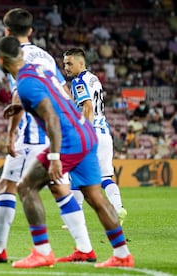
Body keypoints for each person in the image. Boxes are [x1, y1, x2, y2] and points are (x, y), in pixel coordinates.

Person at [0, 8, 89, 265]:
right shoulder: (44, 55)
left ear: (6, 30)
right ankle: (85, 248)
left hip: (33, 130)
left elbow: (20, 93)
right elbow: (62, 89)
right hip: (55, 128)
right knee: (58, 187)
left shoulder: (15, 54)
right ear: (30, 30)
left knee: (14, 186)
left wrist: (10, 133)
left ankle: (18, 250)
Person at [0, 36, 133, 268]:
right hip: (86, 133)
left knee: (26, 187)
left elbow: (50, 116)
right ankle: (121, 254)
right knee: (95, 196)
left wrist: (54, 157)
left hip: (69, 138)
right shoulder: (42, 72)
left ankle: (42, 251)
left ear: (1, 60)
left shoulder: (25, 81)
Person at [62, 48, 128, 226]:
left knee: (75, 174)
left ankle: (75, 218)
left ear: (81, 63)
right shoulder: (94, 79)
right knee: (106, 177)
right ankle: (118, 208)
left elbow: (88, 107)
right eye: (64, 64)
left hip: (92, 133)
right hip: (105, 134)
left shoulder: (79, 81)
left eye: (69, 63)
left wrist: (86, 133)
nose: (66, 67)